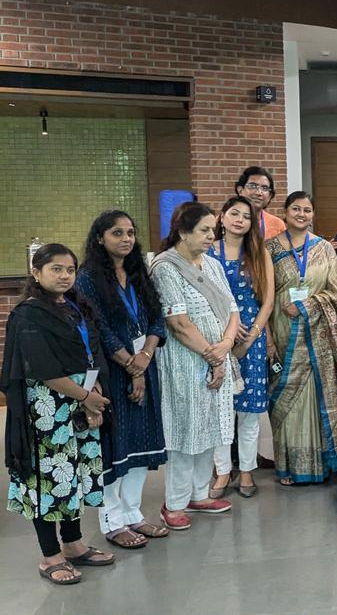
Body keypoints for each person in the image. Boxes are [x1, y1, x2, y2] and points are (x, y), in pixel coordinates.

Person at [5, 244, 115, 585]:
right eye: (56, 269)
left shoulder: (74, 308)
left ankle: (74, 545)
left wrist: (93, 398)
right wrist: (86, 397)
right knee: (49, 481)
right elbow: (42, 369)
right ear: (36, 273)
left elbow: (90, 351)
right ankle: (50, 555)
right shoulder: (28, 314)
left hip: (80, 405)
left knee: (76, 477)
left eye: (70, 269)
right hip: (47, 412)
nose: (65, 275)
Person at [76, 211, 170, 548]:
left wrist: (144, 359)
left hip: (145, 362)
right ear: (100, 238)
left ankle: (133, 514)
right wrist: (131, 366)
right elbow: (97, 327)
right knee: (115, 446)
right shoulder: (87, 278)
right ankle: (111, 520)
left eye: (130, 232)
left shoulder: (136, 271)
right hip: (111, 371)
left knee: (140, 442)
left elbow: (157, 318)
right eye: (117, 233)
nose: (126, 239)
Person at [150, 203, 241, 529]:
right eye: (204, 230)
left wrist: (227, 345)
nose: (211, 236)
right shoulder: (165, 268)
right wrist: (212, 355)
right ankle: (174, 503)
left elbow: (232, 311)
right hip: (186, 362)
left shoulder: (213, 265)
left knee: (213, 428)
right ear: (182, 231)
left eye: (211, 229)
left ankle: (199, 494)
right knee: (186, 429)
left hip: (217, 356)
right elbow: (178, 322)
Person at [266, 191, 337, 485]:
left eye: (307, 210)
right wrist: (268, 337)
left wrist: (308, 306)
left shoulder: (323, 248)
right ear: (285, 212)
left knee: (316, 394)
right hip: (283, 329)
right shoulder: (269, 248)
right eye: (296, 209)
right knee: (290, 398)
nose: (302, 214)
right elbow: (261, 296)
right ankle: (289, 466)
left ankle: (321, 463)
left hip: (319, 333)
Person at [208, 196, 275, 499]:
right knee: (220, 411)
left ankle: (247, 470)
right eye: (234, 213)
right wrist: (229, 332)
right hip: (217, 337)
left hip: (253, 338)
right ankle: (223, 471)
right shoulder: (208, 252)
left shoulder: (258, 252)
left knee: (248, 412)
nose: (239, 220)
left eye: (246, 216)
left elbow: (268, 298)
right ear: (221, 217)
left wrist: (253, 334)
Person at [234, 166, 287, 239]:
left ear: (270, 196)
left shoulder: (277, 225)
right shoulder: (226, 220)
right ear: (240, 190)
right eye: (253, 186)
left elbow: (280, 250)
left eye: (265, 188)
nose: (259, 193)